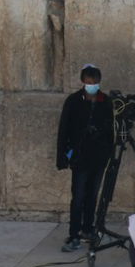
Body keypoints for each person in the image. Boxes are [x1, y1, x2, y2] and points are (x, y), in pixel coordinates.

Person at [56, 64, 115, 252]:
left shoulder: (104, 101)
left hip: (98, 157)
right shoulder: (73, 101)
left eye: (95, 83)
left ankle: (88, 229)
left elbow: (109, 129)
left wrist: (108, 152)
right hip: (80, 158)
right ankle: (74, 234)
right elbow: (64, 129)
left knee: (92, 195)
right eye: (89, 83)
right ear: (83, 82)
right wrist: (62, 157)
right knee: (79, 196)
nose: (92, 86)